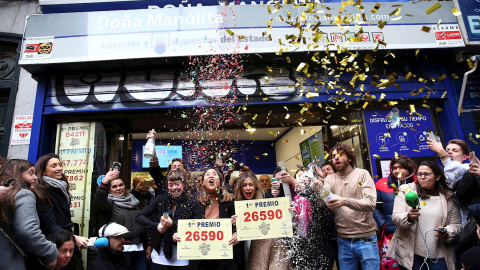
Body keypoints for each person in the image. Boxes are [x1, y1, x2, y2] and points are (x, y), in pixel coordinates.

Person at [312, 143, 379, 270]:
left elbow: (370, 204)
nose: (336, 158)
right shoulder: (330, 178)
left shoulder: (362, 174)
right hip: (343, 240)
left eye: (340, 155)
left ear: (349, 158)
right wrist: (317, 191)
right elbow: (323, 201)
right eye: (333, 156)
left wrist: (345, 201)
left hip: (366, 238)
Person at [387, 160, 462, 270]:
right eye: (419, 174)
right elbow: (396, 217)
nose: (422, 177)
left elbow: (456, 226)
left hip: (439, 254)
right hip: (412, 255)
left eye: (426, 174)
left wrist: (447, 232)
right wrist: (408, 217)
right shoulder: (406, 190)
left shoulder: (448, 197)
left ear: (437, 177)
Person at [173, 166, 239, 270]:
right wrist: (178, 234)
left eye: (214, 174)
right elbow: (185, 225)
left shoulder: (230, 201)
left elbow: (237, 225)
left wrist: (236, 233)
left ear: (221, 181)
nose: (211, 176)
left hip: (223, 256)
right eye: (208, 175)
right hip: (200, 257)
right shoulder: (194, 201)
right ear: (203, 182)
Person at [0, 159, 58, 270]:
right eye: (31, 173)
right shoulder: (24, 194)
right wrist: (51, 251)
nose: (35, 177)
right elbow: (27, 231)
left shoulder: (5, 195)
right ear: (17, 175)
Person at [136, 169, 195, 270]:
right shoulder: (160, 199)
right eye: (170, 185)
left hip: (183, 256)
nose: (174, 188)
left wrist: (174, 225)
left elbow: (196, 224)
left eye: (177, 184)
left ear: (184, 185)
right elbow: (140, 217)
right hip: (160, 256)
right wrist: (156, 226)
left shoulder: (192, 201)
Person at [231, 171, 290, 270]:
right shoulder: (235, 203)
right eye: (244, 185)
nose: (248, 188)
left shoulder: (266, 197)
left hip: (271, 244)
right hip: (250, 246)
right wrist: (235, 227)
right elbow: (233, 229)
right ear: (240, 188)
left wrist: (288, 211)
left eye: (251, 184)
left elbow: (279, 216)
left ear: (256, 186)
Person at [94, 169, 150, 270]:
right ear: (110, 190)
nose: (119, 188)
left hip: (139, 249)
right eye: (114, 186)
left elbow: (144, 223)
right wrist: (105, 182)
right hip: (120, 250)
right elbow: (99, 202)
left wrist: (149, 244)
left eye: (121, 185)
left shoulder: (135, 201)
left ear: (125, 186)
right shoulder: (109, 204)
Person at [34, 153, 89, 248]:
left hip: (65, 238)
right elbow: (50, 225)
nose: (59, 168)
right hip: (55, 244)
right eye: (54, 166)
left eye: (60, 165)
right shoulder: (41, 192)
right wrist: (74, 238)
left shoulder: (60, 188)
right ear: (43, 171)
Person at [374, 155, 417, 268]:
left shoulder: (418, 184)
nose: (397, 170)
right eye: (394, 168)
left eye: (401, 167)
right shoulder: (380, 184)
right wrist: (384, 224)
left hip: (413, 234)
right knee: (390, 265)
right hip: (390, 234)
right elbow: (375, 208)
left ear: (409, 170)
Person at [290, 168, 334, 270]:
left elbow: (323, 209)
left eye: (305, 176)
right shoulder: (292, 199)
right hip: (302, 250)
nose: (302, 180)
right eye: (299, 177)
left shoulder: (318, 195)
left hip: (321, 249)